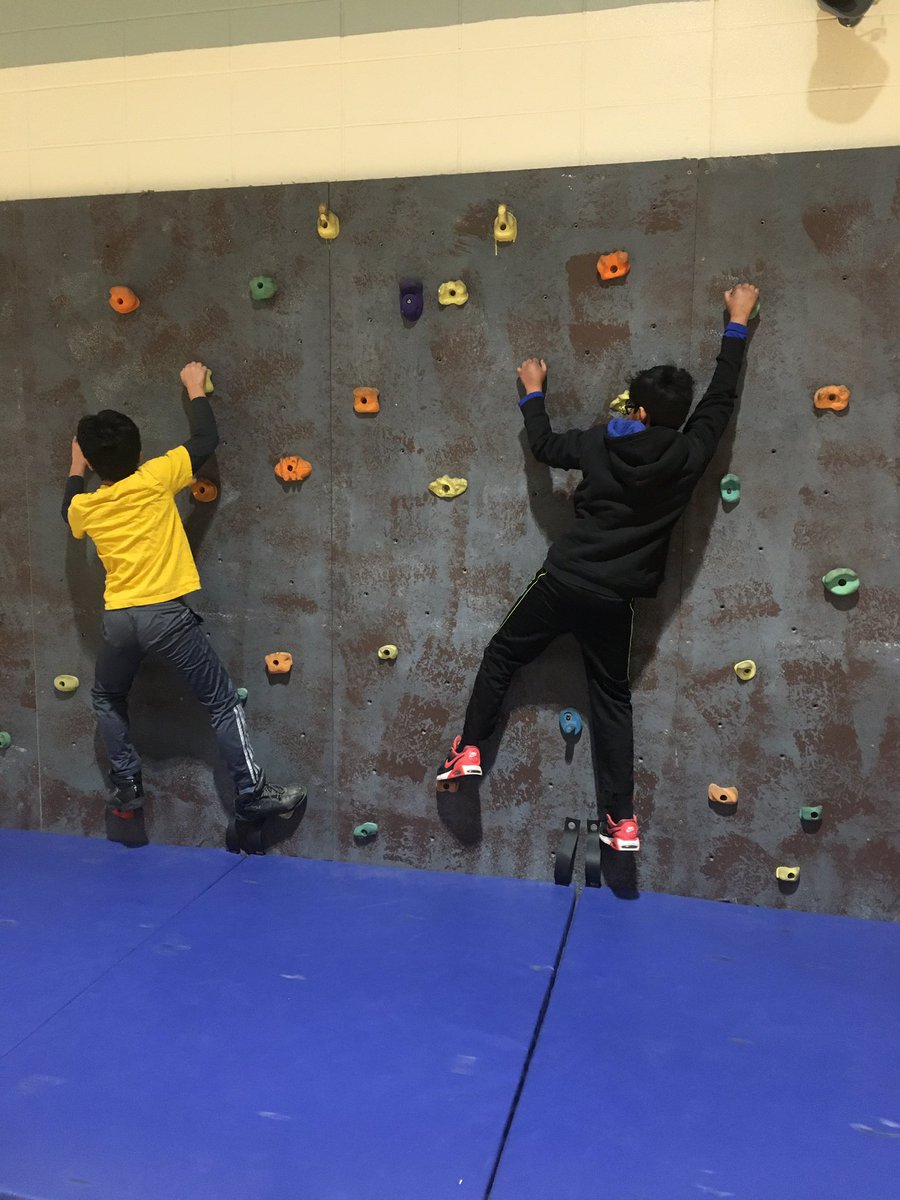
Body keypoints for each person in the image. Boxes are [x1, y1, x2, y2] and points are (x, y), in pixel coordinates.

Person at [437, 283, 760, 852]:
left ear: (635, 411)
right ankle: (621, 821)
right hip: (615, 600)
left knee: (502, 655)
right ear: (673, 417)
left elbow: (544, 447)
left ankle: (469, 750)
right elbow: (721, 399)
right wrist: (736, 324)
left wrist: (534, 393)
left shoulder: (597, 444)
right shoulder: (689, 454)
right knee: (610, 699)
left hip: (562, 581)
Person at [62, 361, 306, 828]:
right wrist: (195, 388)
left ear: (93, 462)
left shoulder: (87, 506)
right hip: (164, 617)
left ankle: (127, 785)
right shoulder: (155, 476)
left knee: (107, 697)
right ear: (137, 449)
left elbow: (67, 506)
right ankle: (252, 794)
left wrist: (76, 467)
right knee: (221, 702)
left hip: (118, 619)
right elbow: (204, 441)